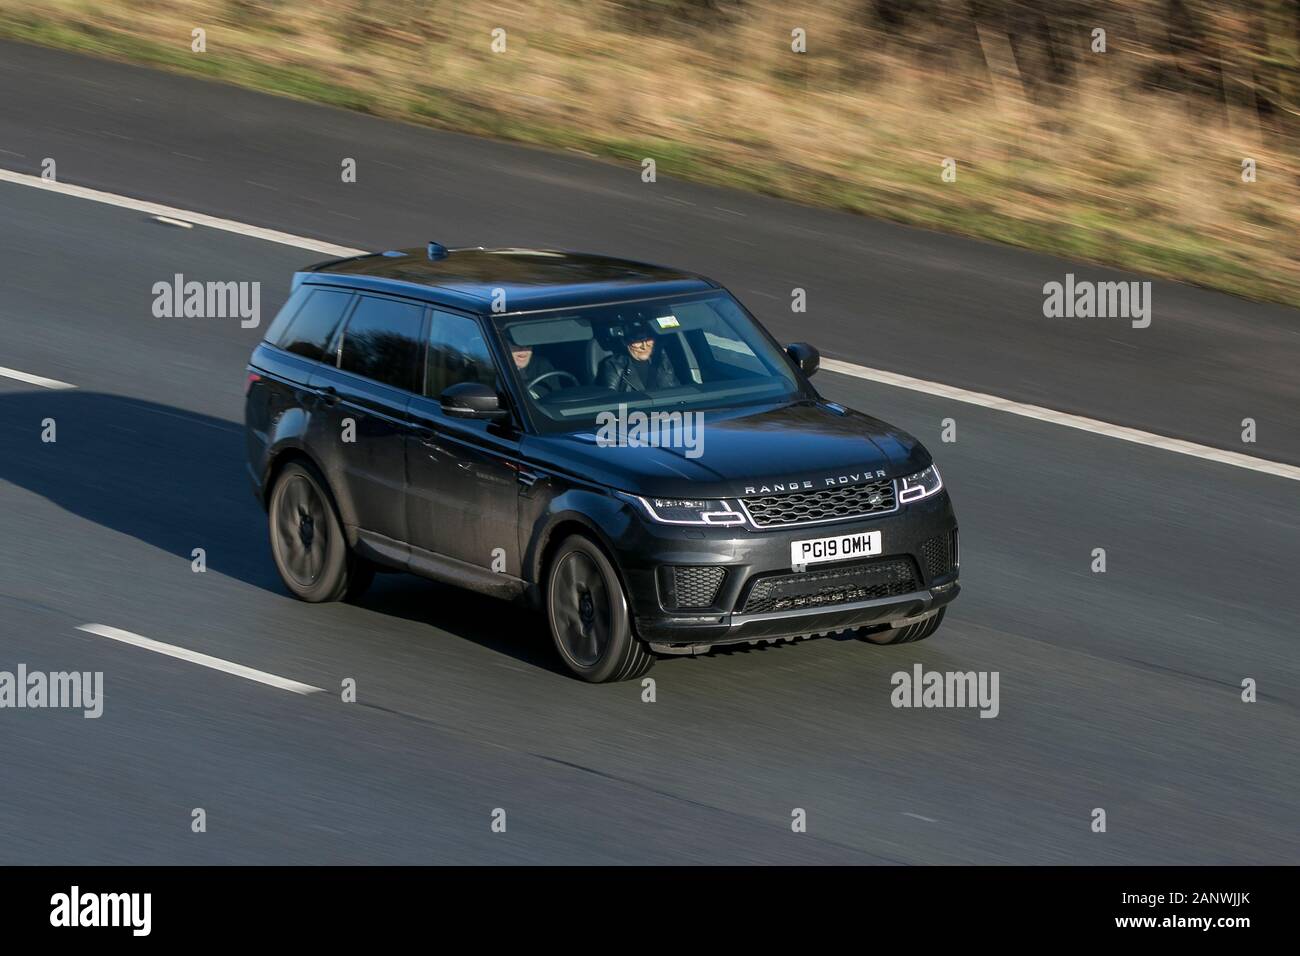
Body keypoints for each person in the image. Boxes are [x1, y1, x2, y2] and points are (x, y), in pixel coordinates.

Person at [595, 320, 679, 392]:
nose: (644, 346)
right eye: (638, 341)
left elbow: (676, 391)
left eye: (648, 340)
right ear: (626, 342)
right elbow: (611, 400)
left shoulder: (662, 361)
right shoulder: (614, 365)